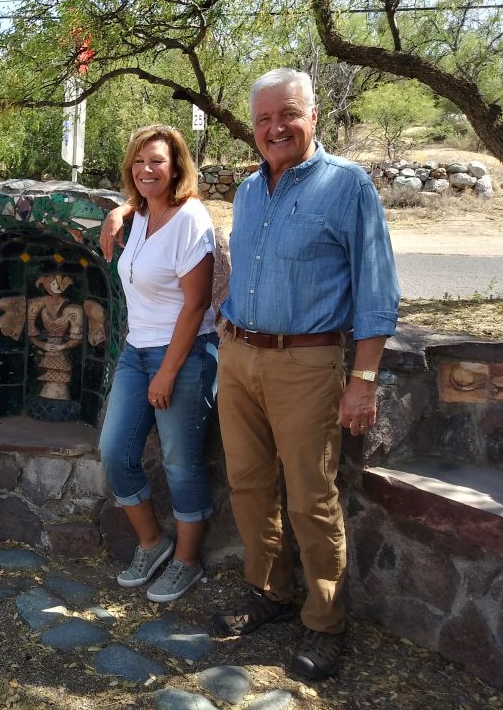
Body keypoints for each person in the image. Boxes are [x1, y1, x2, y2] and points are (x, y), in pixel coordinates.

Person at [209, 68, 400, 679]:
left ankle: (324, 622)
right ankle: (269, 592)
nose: (274, 128)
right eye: (263, 118)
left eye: (286, 114)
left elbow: (377, 289)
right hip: (238, 355)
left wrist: (363, 379)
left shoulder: (348, 186)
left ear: (313, 115)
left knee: (312, 498)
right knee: (248, 484)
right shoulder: (246, 191)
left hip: (309, 363)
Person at [97, 125, 218, 603]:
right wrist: (120, 208)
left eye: (158, 162)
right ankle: (153, 543)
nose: (147, 170)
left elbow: (196, 303)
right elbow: (138, 201)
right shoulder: (141, 214)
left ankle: (188, 562)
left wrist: (167, 371)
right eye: (140, 162)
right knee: (115, 451)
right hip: (136, 350)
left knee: (180, 462)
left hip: (184, 355)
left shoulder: (192, 219)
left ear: (177, 167)